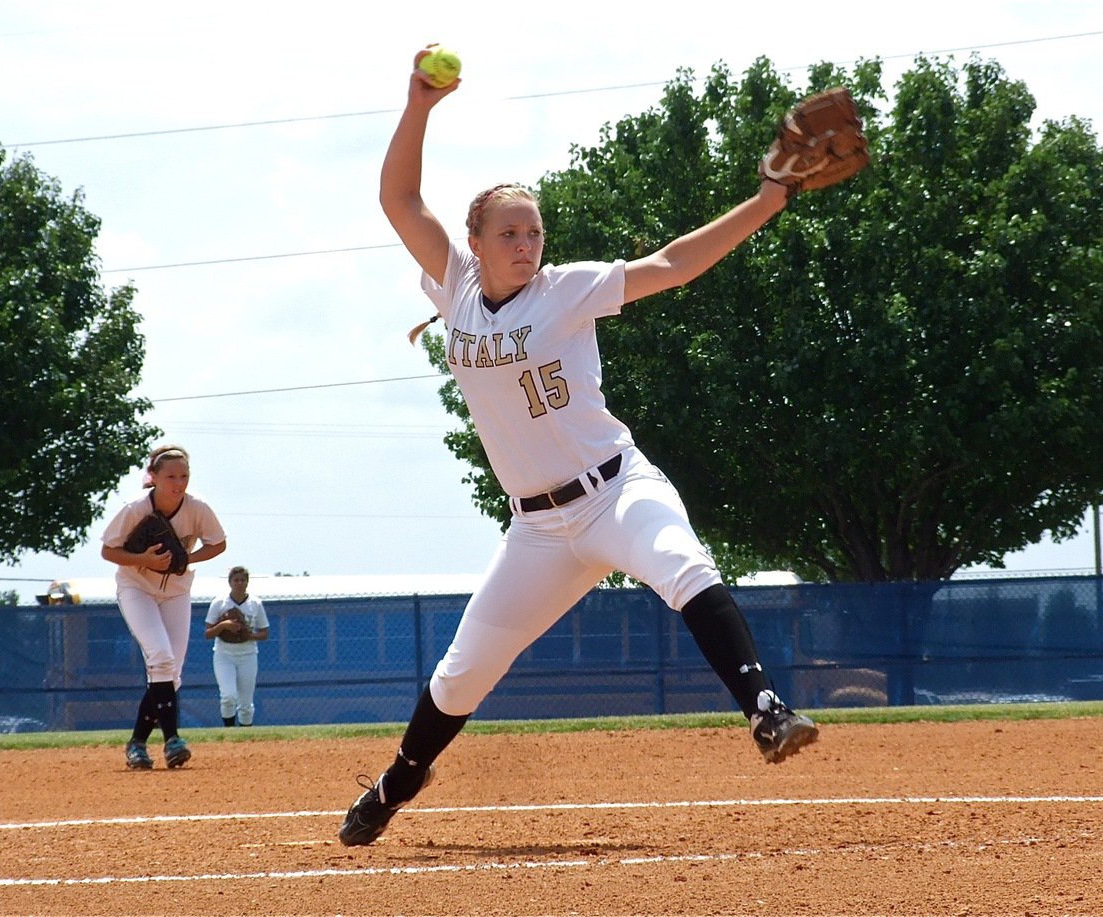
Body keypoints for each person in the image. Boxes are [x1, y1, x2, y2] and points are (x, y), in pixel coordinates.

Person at [338, 51, 818, 847]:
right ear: (477, 241)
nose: (526, 242)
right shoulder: (454, 284)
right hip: (538, 529)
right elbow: (397, 198)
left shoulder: (568, 288)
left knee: (684, 565)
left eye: (534, 230)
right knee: (462, 672)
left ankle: (766, 712)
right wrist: (419, 104)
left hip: (616, 489)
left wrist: (768, 200)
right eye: (510, 232)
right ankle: (398, 781)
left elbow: (673, 264)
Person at [101, 444, 227, 769]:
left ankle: (137, 744)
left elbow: (218, 542)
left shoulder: (197, 508)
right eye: (170, 475)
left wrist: (188, 558)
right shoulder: (135, 509)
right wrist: (142, 559)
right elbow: (108, 551)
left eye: (184, 475)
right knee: (160, 656)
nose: (178, 482)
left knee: (171, 673)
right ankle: (173, 740)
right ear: (153, 477)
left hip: (176, 591)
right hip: (136, 587)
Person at [205, 565, 270, 727]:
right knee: (228, 696)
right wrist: (224, 625)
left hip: (247, 654)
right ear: (230, 582)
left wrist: (250, 635)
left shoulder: (255, 603)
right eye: (236, 580)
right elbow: (208, 633)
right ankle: (229, 733)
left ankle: (244, 736)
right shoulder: (219, 603)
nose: (239, 583)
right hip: (224, 654)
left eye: (243, 580)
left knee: (246, 704)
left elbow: (264, 632)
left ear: (247, 582)